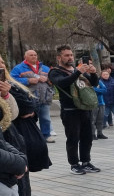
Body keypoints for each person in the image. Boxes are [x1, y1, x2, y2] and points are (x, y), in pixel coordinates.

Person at [0, 51, 51, 196]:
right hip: (1, 143)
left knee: (18, 184)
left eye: (2, 61)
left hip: (12, 140)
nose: (2, 65)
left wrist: (6, 95)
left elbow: (20, 110)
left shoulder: (6, 83)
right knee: (8, 183)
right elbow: (0, 120)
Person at [49, 46, 101, 175]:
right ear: (59, 57)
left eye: (71, 55)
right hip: (70, 109)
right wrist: (77, 72)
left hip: (84, 108)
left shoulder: (78, 69)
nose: (70, 57)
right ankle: (74, 164)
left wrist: (93, 73)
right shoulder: (55, 72)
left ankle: (86, 162)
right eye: (66, 55)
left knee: (87, 137)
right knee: (73, 138)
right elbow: (62, 83)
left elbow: (93, 84)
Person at [11, 49, 56, 143]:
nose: (34, 56)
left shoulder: (45, 68)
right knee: (30, 119)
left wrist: (48, 80)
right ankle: (32, 136)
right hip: (29, 99)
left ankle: (46, 135)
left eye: (35, 55)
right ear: (25, 57)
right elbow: (12, 80)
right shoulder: (18, 68)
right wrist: (28, 81)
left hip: (45, 97)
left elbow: (54, 80)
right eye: (31, 55)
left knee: (45, 118)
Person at [92, 73, 107, 139]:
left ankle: (100, 133)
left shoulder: (100, 82)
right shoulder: (89, 82)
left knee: (100, 119)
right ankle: (92, 134)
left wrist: (95, 89)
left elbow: (104, 90)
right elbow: (90, 91)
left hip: (101, 103)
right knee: (93, 120)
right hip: (93, 103)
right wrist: (98, 90)